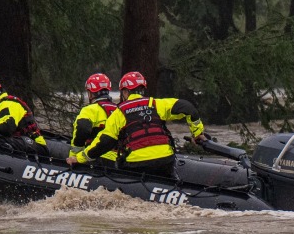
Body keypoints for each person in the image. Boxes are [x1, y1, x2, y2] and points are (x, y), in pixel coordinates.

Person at [66, 71, 207, 177]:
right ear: (142, 89)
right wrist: (197, 133)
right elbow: (189, 108)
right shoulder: (156, 104)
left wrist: (79, 158)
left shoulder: (120, 112)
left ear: (125, 92)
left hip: (137, 165)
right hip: (166, 161)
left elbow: (105, 142)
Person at [69, 73, 119, 166]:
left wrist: (75, 156)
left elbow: (82, 130)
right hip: (115, 161)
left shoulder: (89, 110)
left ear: (91, 93)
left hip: (94, 158)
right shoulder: (119, 110)